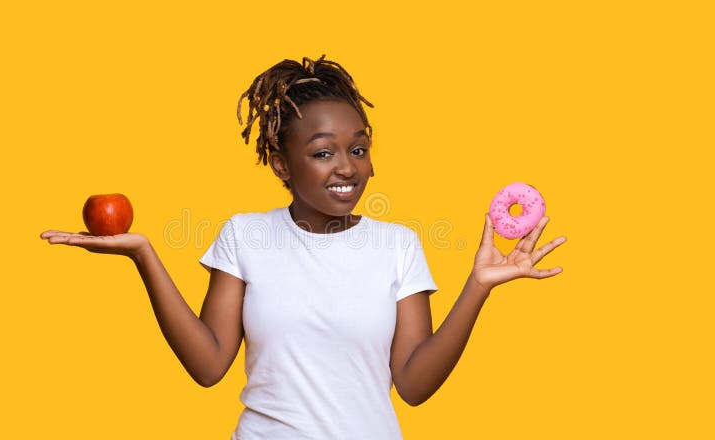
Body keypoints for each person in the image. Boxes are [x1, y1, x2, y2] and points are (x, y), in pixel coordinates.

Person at [40, 55, 567, 439]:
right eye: (322, 152)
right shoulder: (245, 235)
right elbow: (208, 366)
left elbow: (412, 384)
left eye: (358, 149)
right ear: (280, 164)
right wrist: (144, 256)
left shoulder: (398, 246)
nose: (347, 167)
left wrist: (478, 287)